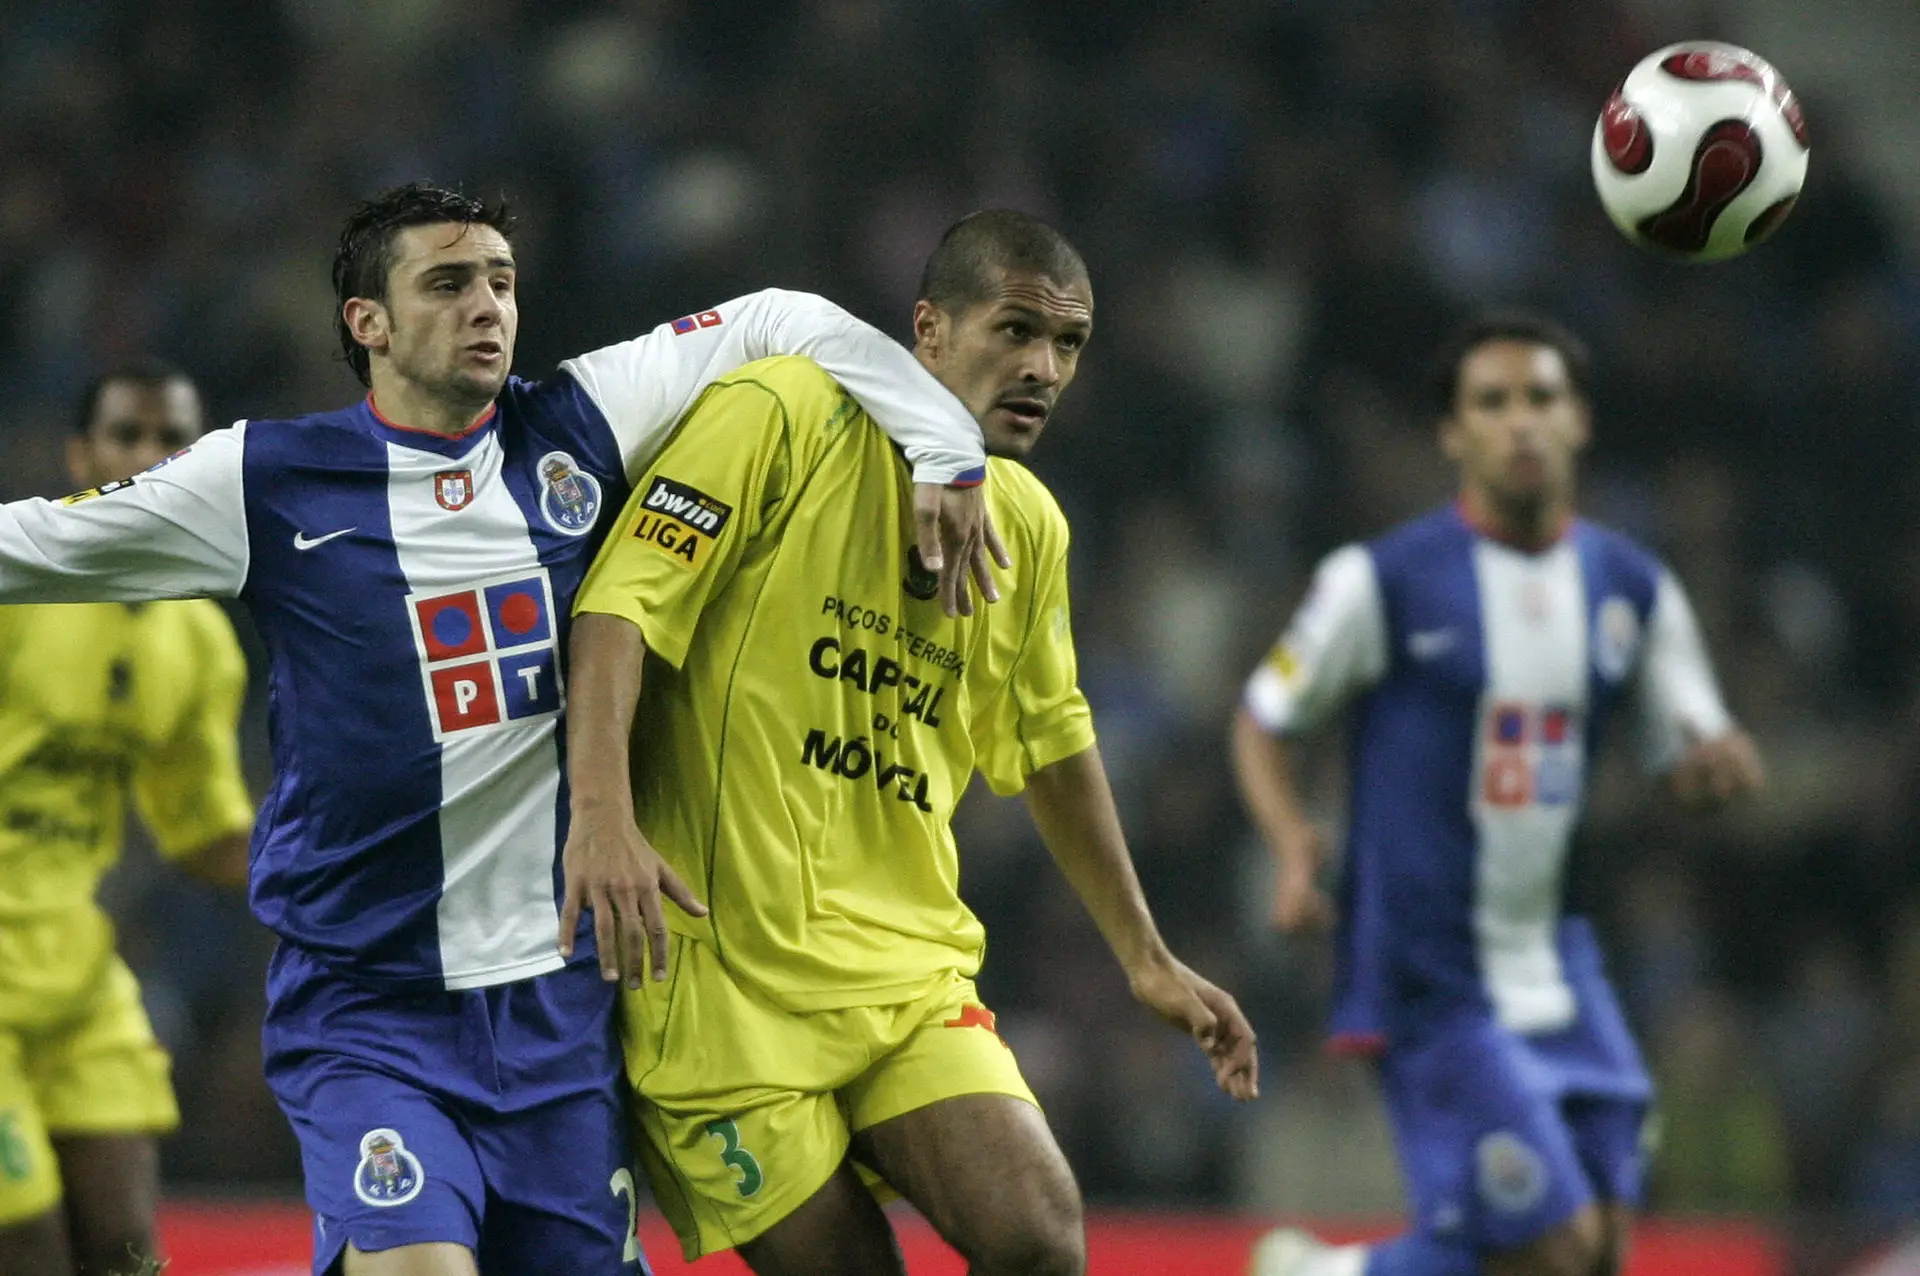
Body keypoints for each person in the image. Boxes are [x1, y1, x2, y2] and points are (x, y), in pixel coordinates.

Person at [0, 183, 1004, 1276]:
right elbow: (35, 546)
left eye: (500, 282)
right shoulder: (264, 481)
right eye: (447, 283)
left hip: (556, 1013)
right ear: (367, 323)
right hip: (368, 1009)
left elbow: (780, 318)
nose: (487, 304)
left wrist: (944, 447)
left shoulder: (577, 423)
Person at [565, 209, 1259, 1276]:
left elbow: (1052, 744)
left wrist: (1145, 955)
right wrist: (604, 815)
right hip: (718, 986)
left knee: (1040, 1233)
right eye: (1015, 330)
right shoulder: (780, 410)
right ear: (927, 330)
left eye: (1067, 344)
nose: (1042, 367)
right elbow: (622, 608)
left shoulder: (1027, 525)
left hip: (904, 973)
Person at [1235, 311, 1765, 1276]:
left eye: (1541, 398)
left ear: (1581, 421)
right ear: (1453, 433)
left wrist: (1713, 772)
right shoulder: (1380, 583)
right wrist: (1289, 840)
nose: (1520, 421)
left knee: (1598, 1249)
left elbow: (1693, 750)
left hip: (1557, 959)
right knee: (1553, 1251)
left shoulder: (1633, 589)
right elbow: (1264, 716)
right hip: (1428, 973)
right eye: (1493, 402)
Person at [0, 360, 254, 1276]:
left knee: (127, 1248)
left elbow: (206, 835)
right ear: (79, 455)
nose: (149, 459)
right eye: (125, 436)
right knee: (25, 1245)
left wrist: (348, 863)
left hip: (73, 978)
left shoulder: (197, 638)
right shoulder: (16, 591)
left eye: (171, 441)